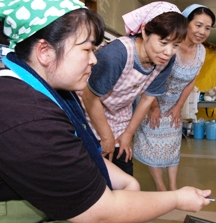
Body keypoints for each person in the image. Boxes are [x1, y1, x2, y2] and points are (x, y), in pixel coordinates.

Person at [0, 1, 213, 222]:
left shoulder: (47, 90)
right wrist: (176, 199)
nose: (94, 59)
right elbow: (99, 212)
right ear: (45, 51)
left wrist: (128, 178)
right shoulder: (29, 118)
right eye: (87, 49)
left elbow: (76, 152)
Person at [81, 2, 189, 176]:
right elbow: (89, 97)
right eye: (163, 42)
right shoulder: (116, 55)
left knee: (123, 170)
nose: (169, 52)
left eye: (175, 45)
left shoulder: (165, 61)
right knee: (93, 174)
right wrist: (106, 136)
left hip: (119, 115)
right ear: (145, 31)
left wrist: (128, 134)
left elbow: (147, 98)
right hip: (88, 112)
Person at [133, 4, 216, 191]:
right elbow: (149, 77)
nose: (202, 31)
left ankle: (173, 187)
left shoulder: (201, 51)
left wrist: (179, 107)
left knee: (172, 144)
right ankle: (161, 188)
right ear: (186, 23)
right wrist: (153, 108)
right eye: (198, 25)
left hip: (175, 104)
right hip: (152, 100)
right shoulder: (170, 46)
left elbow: (191, 81)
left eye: (208, 28)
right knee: (154, 144)